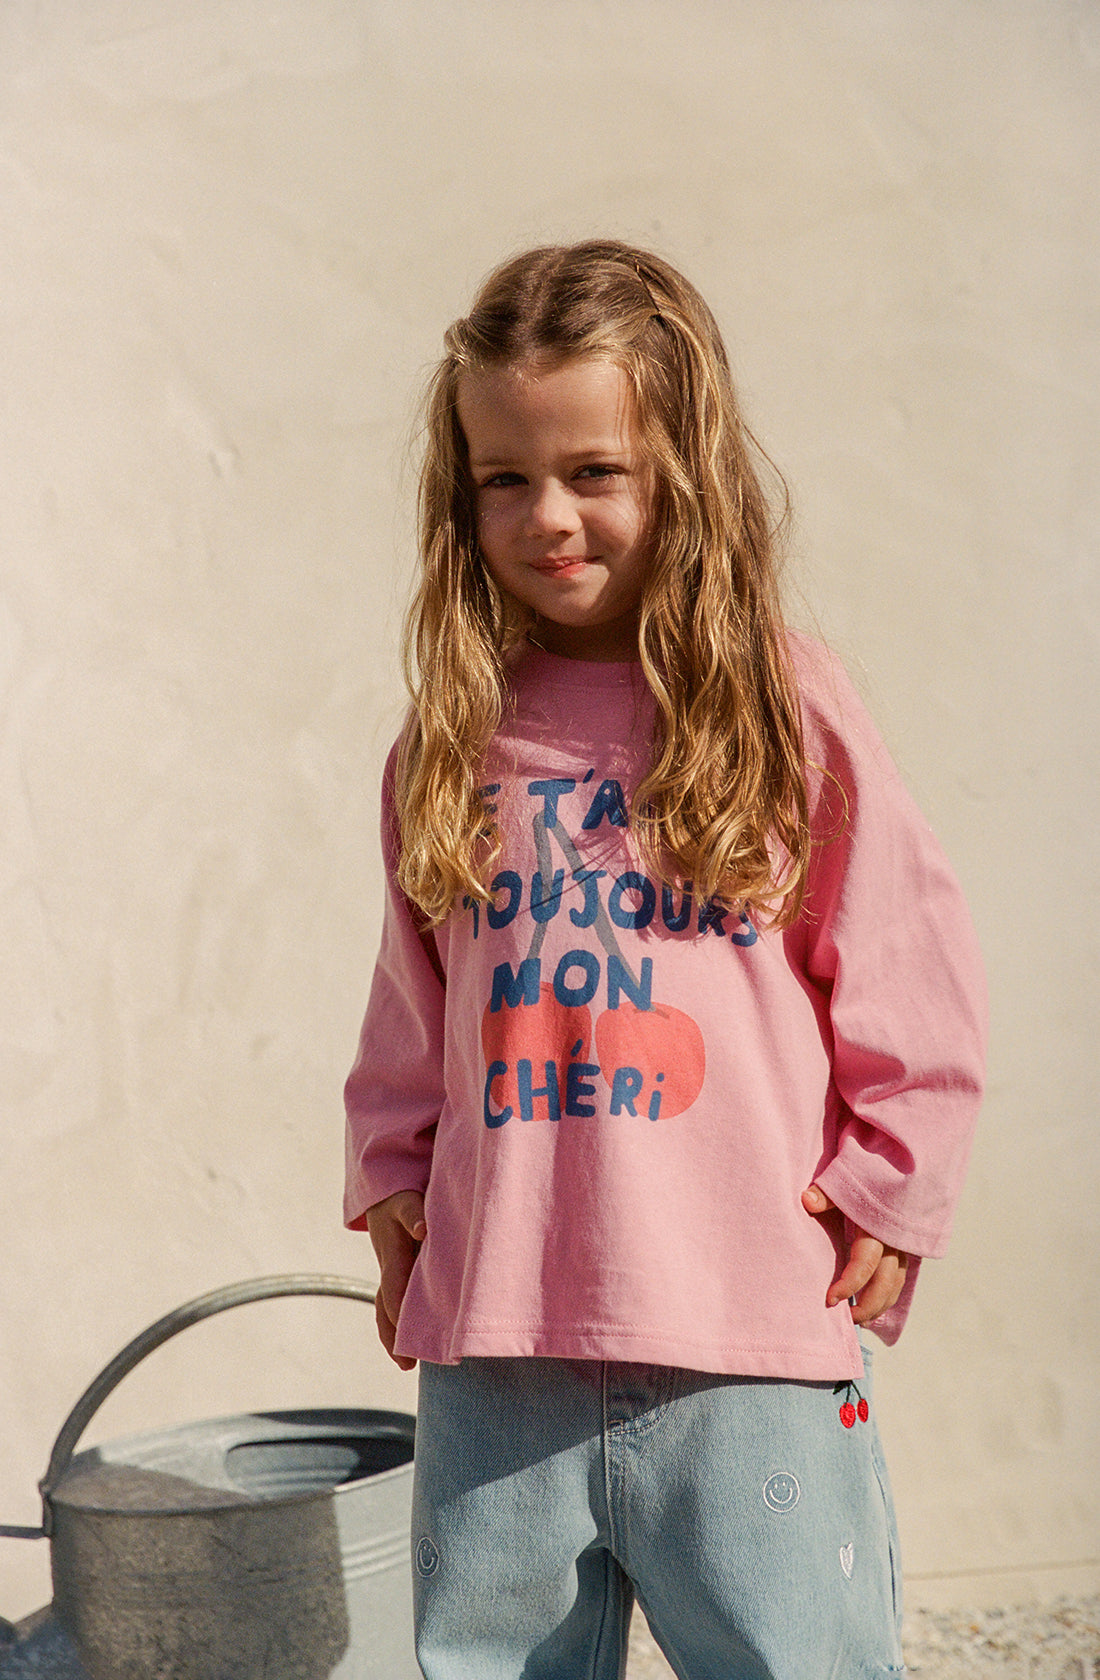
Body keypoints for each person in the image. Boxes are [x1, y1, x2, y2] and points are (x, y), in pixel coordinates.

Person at [343, 240, 986, 1680]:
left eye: (595, 471)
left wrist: (894, 1179)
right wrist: (391, 1174)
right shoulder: (452, 734)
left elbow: (908, 960)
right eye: (503, 477)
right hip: (498, 1348)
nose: (547, 516)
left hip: (748, 1338)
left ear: (683, 472)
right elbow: (411, 1001)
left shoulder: (781, 706)